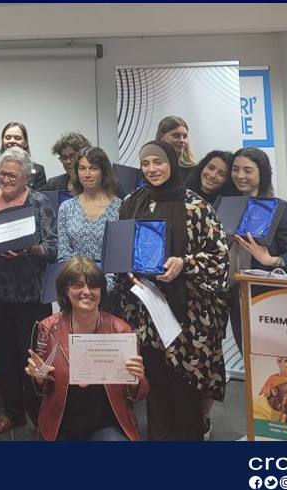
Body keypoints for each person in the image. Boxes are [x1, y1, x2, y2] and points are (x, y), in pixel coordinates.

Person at [113, 140, 229, 441]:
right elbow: (121, 247)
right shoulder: (131, 202)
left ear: (172, 164)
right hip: (145, 313)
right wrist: (125, 267)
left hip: (188, 317)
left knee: (184, 391)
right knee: (155, 388)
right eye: (146, 163)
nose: (152, 169)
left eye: (158, 162)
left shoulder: (196, 206)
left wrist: (184, 263)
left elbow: (219, 259)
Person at [0, 146, 58, 433]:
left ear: (26, 178)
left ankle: (40, 416)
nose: (5, 179)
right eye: (2, 174)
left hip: (31, 294)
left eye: (12, 176)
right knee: (4, 357)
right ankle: (13, 412)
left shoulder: (40, 202)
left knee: (33, 356)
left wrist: (32, 248)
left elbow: (53, 247)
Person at [26, 258, 148, 441]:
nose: (87, 292)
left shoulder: (121, 330)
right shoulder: (48, 328)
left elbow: (139, 394)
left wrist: (136, 380)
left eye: (93, 286)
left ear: (101, 292)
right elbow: (42, 390)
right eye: (78, 285)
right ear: (66, 290)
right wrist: (38, 378)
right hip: (61, 422)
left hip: (105, 422)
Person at [227, 147, 287, 354]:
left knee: (270, 359)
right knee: (247, 355)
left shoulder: (282, 209)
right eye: (235, 169)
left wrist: (269, 259)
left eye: (248, 170)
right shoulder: (228, 207)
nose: (240, 176)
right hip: (236, 294)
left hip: (268, 298)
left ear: (262, 173)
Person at [56, 147, 122, 283]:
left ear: (103, 171)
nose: (87, 174)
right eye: (82, 168)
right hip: (75, 282)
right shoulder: (66, 208)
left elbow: (120, 254)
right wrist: (79, 282)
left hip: (110, 283)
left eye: (93, 168)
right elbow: (63, 254)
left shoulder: (120, 208)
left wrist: (105, 285)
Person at [0, 122, 47, 190]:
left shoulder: (38, 171)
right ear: (2, 141)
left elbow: (40, 196)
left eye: (17, 138)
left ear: (25, 143)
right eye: (8, 138)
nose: (12, 141)